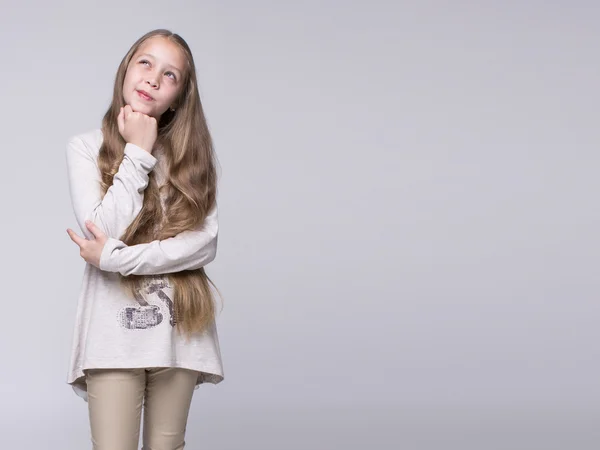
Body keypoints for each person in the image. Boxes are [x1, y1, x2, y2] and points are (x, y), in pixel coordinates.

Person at [64, 29, 224, 450]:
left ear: (179, 95)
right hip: (111, 337)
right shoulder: (85, 147)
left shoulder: (192, 155)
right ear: (126, 68)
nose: (154, 78)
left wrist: (116, 260)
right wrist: (138, 151)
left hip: (180, 330)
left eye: (170, 75)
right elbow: (103, 229)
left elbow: (203, 244)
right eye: (146, 62)